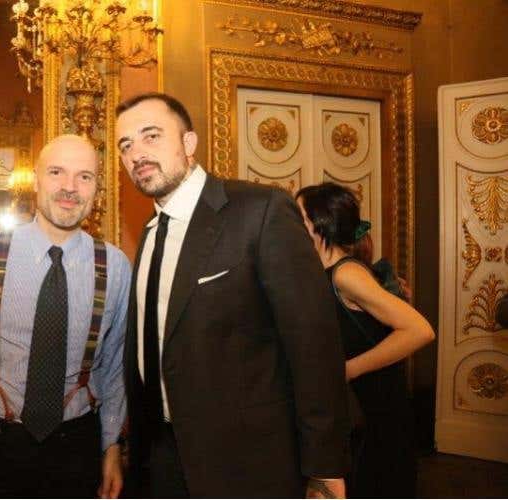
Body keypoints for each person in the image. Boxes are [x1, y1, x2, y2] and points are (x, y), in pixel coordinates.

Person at [114, 92, 350, 498]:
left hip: (246, 463)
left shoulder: (260, 210)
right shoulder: (151, 234)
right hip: (161, 458)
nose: (137, 154)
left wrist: (324, 466)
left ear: (189, 142)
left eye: (151, 136)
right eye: (125, 145)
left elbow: (314, 344)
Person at [0, 135, 131, 499]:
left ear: (97, 188)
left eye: (84, 176)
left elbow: (113, 369)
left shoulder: (116, 266)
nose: (69, 187)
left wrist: (111, 448)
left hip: (77, 447)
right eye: (56, 172)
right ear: (35, 180)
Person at [295, 182, 435, 498]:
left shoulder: (346, 274)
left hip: (377, 411)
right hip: (358, 410)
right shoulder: (324, 271)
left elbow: (419, 330)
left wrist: (348, 370)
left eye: (299, 216)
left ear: (320, 224)